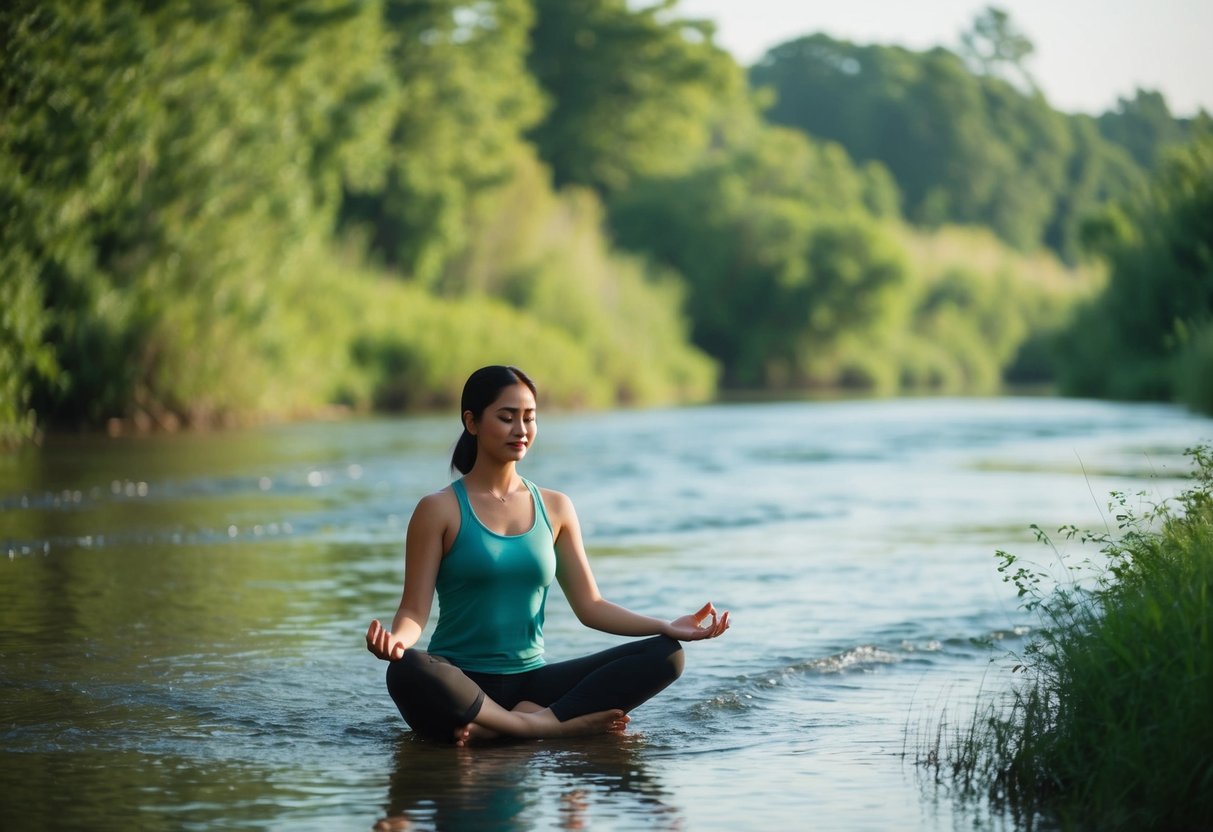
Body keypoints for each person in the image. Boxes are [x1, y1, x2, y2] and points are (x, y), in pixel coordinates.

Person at [366, 365, 730, 745]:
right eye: (506, 418)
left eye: (529, 418)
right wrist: (397, 641)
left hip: (533, 687)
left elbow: (590, 605)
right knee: (406, 669)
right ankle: (543, 728)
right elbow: (413, 610)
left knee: (667, 655)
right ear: (471, 422)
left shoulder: (555, 507)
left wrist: (665, 626)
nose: (521, 430)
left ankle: (508, 728)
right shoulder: (438, 509)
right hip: (460, 681)